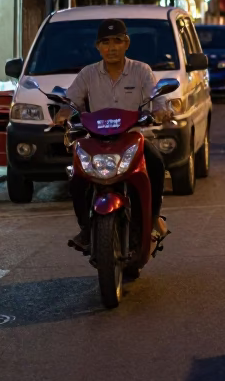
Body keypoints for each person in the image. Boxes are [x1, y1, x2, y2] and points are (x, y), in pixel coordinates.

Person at [58, 19, 173, 250]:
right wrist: (62, 113)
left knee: (157, 163)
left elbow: (157, 98)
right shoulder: (87, 74)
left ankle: (152, 220)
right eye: (106, 42)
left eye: (117, 41)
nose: (112, 47)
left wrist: (161, 110)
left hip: (132, 138)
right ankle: (86, 230)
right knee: (77, 178)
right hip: (96, 141)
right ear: (98, 47)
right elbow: (71, 102)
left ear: (126, 43)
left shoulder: (141, 70)